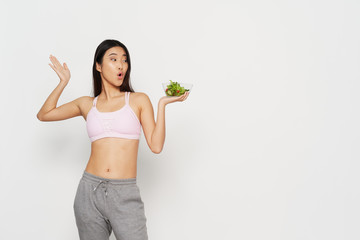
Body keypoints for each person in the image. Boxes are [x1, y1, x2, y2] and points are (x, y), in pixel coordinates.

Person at [37, 39, 189, 240]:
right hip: (88, 192)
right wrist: (63, 83)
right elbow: (44, 114)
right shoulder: (86, 104)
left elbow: (156, 145)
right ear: (98, 66)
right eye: (114, 59)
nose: (121, 65)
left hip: (125, 193)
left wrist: (162, 104)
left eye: (124, 60)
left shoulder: (138, 100)